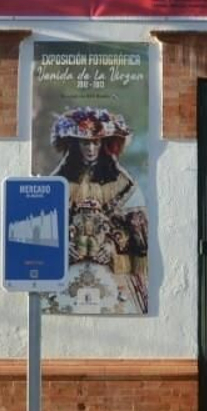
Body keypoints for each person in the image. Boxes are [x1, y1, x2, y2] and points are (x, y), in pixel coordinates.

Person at [49, 107, 149, 313]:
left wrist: (112, 247)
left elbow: (138, 236)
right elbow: (45, 227)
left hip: (112, 275)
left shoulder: (122, 183)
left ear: (103, 144)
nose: (91, 149)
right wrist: (61, 249)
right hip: (66, 273)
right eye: (85, 142)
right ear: (75, 144)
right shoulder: (58, 182)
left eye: (95, 142)